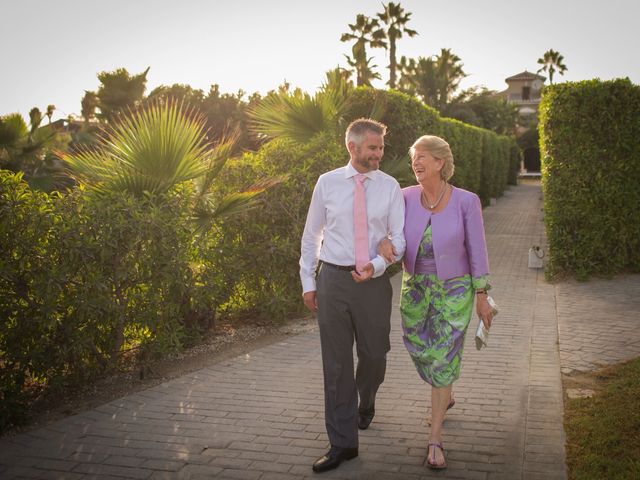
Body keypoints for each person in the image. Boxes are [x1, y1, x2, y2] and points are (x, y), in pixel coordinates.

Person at [379, 135, 494, 469]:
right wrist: (384, 242)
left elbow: (478, 249)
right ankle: (447, 392)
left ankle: (435, 440)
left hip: (454, 289)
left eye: (423, 157)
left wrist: (482, 296)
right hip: (415, 288)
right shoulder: (403, 198)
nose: (416, 162)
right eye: (414, 157)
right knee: (421, 347)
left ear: (441, 163)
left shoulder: (466, 201)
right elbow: (388, 231)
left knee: (443, 356)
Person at [299, 118, 405, 473]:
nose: (379, 154)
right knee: (337, 364)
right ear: (353, 148)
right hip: (333, 280)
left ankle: (367, 400)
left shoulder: (389, 186)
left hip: (373, 283)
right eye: (373, 148)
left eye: (381, 148)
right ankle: (342, 443)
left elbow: (399, 238)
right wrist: (308, 282)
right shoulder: (327, 183)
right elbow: (312, 233)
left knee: (375, 355)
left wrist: (376, 265)